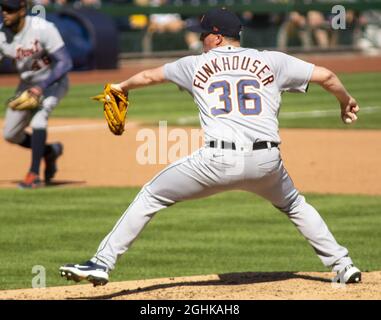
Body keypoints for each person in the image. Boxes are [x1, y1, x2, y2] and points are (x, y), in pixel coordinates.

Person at [60, 8, 361, 286]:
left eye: (203, 34)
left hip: (218, 161)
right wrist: (346, 102)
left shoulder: (194, 65)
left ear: (217, 36)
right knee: (294, 204)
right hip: (267, 162)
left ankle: (101, 262)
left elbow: (150, 76)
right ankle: (344, 266)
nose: (200, 39)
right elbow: (327, 76)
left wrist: (121, 87)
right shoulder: (272, 60)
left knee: (151, 194)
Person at [0, 0, 73, 188]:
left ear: (22, 10)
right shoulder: (2, 36)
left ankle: (34, 175)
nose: (5, 13)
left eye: (10, 9)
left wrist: (41, 86)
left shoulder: (43, 28)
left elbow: (65, 62)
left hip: (53, 82)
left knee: (39, 120)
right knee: (10, 134)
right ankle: (50, 151)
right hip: (27, 84)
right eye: (3, 9)